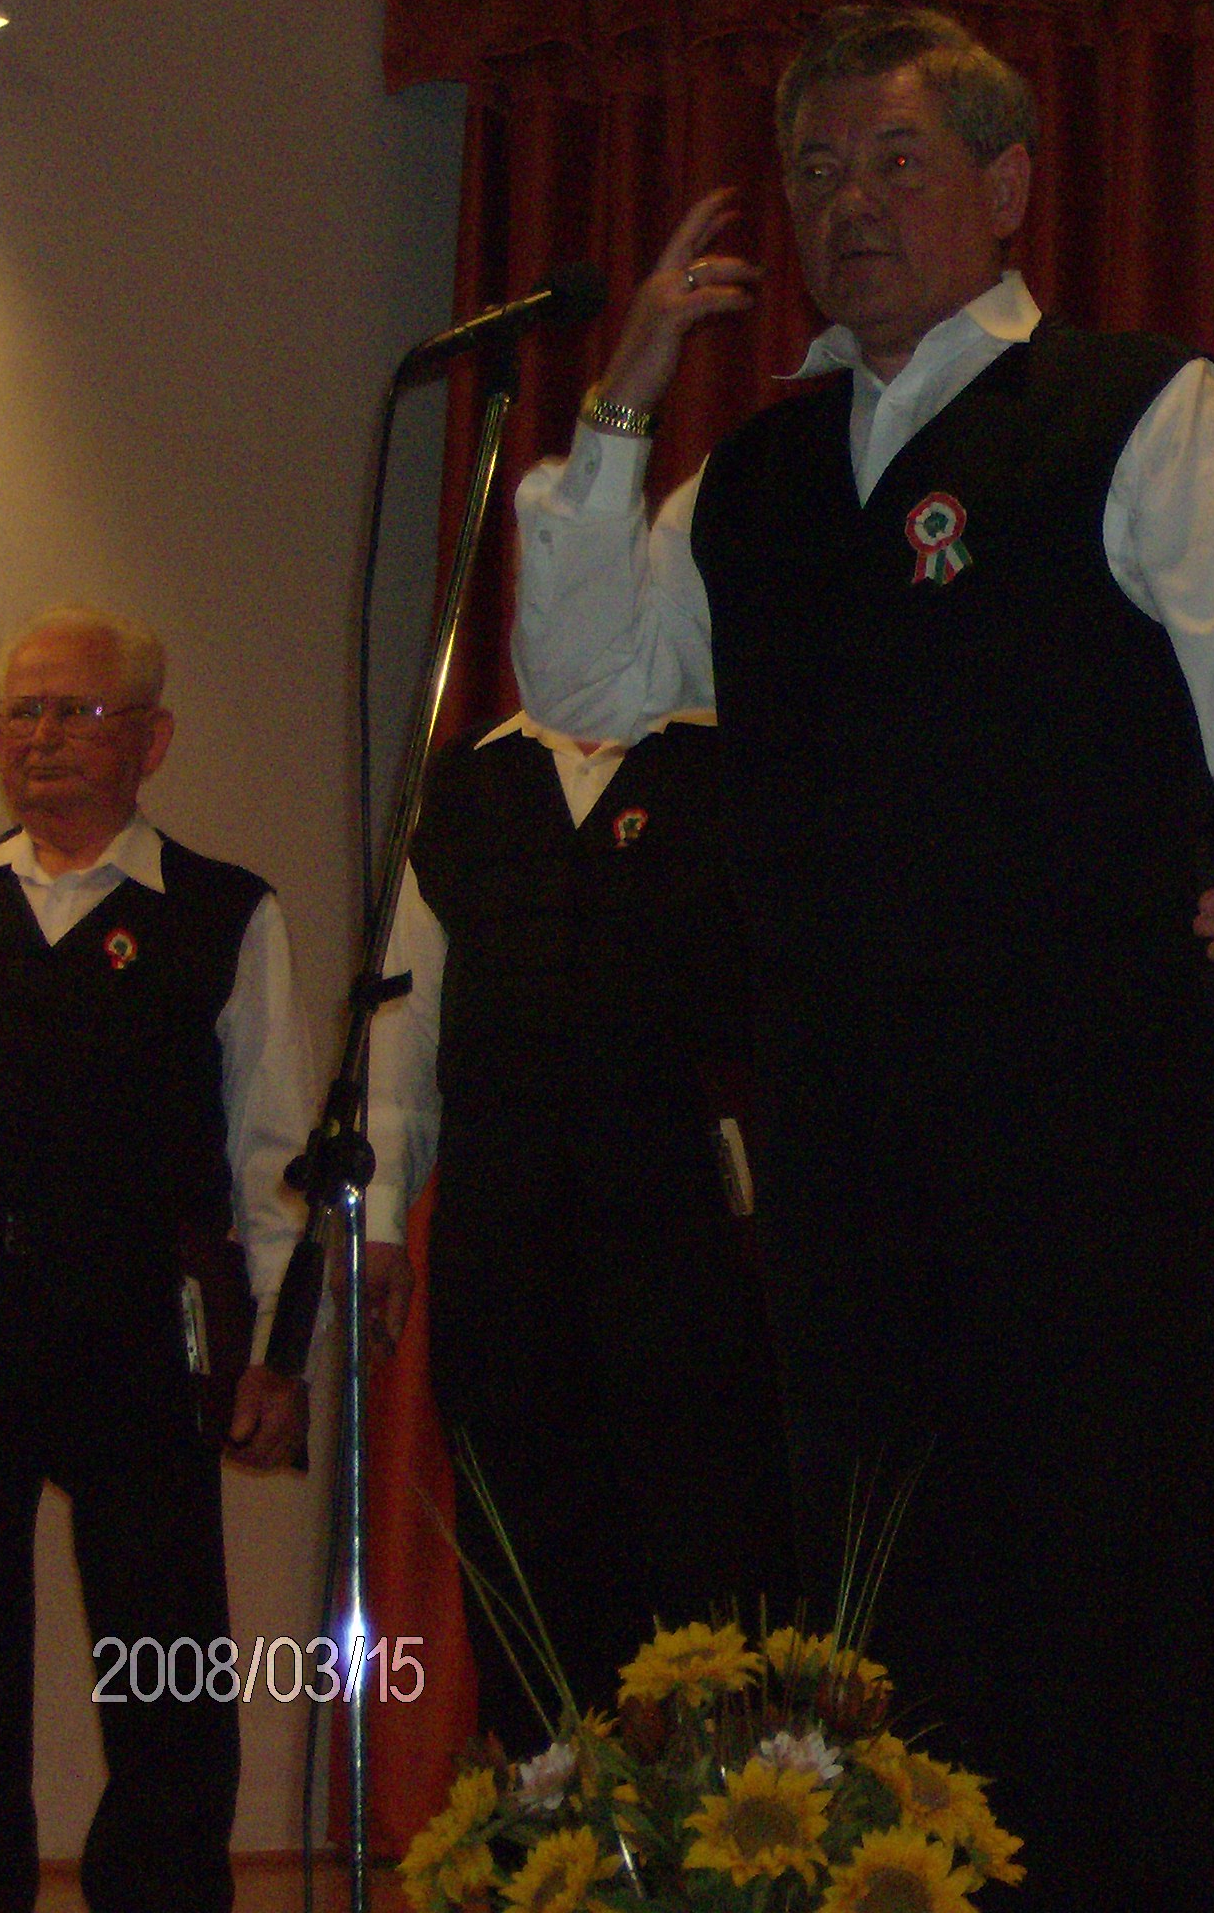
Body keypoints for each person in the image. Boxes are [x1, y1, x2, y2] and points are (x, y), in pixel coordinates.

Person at [508, 4, 1214, 1909]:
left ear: (1008, 186)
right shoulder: (757, 472)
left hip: (1094, 1123)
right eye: (816, 170)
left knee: (1100, 1586)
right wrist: (625, 396)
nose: (850, 203)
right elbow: (584, 676)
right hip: (844, 1132)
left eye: (896, 160)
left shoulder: (1138, 405)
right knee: (875, 1580)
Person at [0, 605, 312, 1913]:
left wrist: (279, 1353)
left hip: (144, 1335)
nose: (43, 737)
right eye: (22, 711)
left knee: (164, 1652)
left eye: (77, 710)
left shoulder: (222, 913)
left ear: (152, 739)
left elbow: (274, 1154)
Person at [363, 709, 796, 1751]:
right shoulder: (469, 786)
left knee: (705, 1553)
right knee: (523, 1558)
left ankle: (716, 1827)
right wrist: (379, 1223)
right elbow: (404, 1026)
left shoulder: (730, 762)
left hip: (687, 1236)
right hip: (501, 1235)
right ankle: (544, 1819)